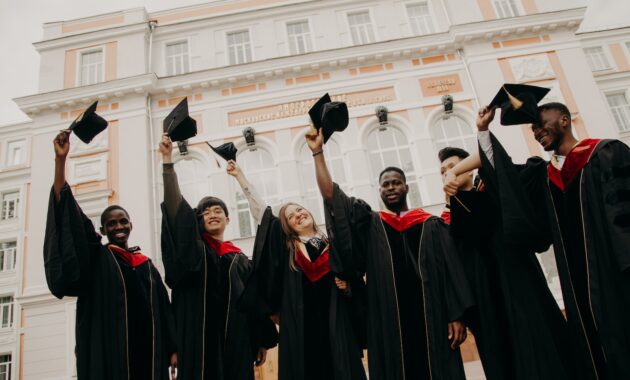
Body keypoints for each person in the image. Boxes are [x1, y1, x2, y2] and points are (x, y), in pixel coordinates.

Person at [444, 101, 630, 379]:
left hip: (615, 270)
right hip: (576, 280)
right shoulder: (544, 175)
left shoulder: (607, 152)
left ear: (564, 119)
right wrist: (483, 131)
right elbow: (503, 175)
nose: (536, 131)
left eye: (541, 124)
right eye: (532, 128)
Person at [306, 128, 473, 380]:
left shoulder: (431, 225)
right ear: (380, 191)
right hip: (387, 320)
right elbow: (332, 198)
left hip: (433, 317)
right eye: (385, 184)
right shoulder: (371, 224)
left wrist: (456, 315)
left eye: (396, 183)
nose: (391, 187)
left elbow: (452, 273)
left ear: (406, 187)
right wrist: (318, 152)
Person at [44, 131, 177, 380]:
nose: (118, 227)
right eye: (112, 224)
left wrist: (173, 348)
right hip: (109, 356)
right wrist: (60, 161)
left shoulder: (147, 267)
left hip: (149, 356)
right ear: (102, 230)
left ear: (131, 225)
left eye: (123, 222)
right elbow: (67, 211)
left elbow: (165, 310)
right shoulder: (97, 259)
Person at [439, 146, 577, 380]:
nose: (447, 174)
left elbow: (490, 153)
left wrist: (456, 171)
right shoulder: (445, 221)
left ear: (469, 169)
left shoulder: (493, 189)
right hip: (485, 302)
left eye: (453, 167)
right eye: (442, 171)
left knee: (537, 348)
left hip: (518, 283)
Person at [230, 160, 367, 380]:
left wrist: (348, 287)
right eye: (290, 216)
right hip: (301, 326)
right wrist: (240, 177)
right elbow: (263, 216)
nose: (298, 214)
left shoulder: (334, 246)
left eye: (300, 209)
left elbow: (356, 278)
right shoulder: (289, 251)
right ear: (287, 227)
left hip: (336, 322)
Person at [159, 135, 277, 380]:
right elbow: (174, 211)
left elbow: (254, 302)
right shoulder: (194, 252)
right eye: (205, 212)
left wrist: (260, 340)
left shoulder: (240, 260)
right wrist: (167, 162)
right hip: (196, 342)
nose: (212, 215)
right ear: (198, 220)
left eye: (218, 211)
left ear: (228, 219)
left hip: (237, 342)